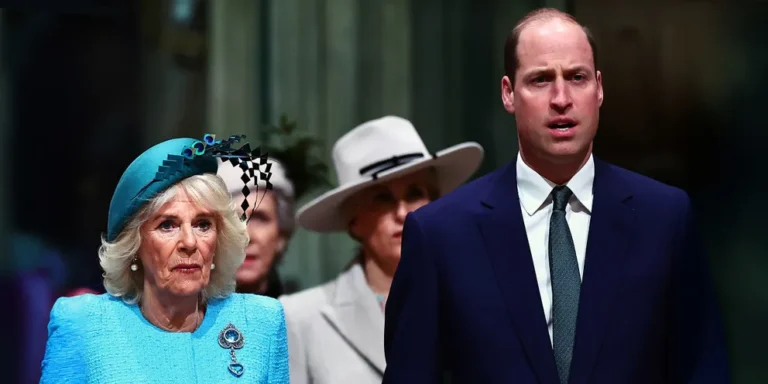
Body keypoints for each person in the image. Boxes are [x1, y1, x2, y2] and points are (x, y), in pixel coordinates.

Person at [382, 8, 729, 384]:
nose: (561, 98)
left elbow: (702, 368)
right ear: (508, 93)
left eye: (577, 77)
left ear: (599, 88)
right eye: (541, 79)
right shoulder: (441, 235)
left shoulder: (664, 218)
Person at [40, 135, 289, 383]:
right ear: (134, 244)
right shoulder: (83, 325)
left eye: (203, 224)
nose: (190, 242)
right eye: (167, 225)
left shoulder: (261, 322)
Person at [279, 116, 484, 383]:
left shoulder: (480, 301)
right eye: (382, 198)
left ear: (435, 204)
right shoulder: (299, 318)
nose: (403, 213)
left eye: (415, 194)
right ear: (354, 221)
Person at [218, 158, 296, 298]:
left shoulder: (303, 315)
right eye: (231, 220)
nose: (246, 236)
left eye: (259, 218)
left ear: (281, 236)